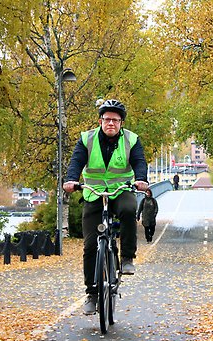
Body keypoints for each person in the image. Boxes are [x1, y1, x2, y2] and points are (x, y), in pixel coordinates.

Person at [63, 99, 149, 315]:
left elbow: (139, 161)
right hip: (94, 193)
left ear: (121, 123)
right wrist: (72, 180)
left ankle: (127, 257)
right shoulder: (87, 139)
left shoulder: (131, 139)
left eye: (115, 120)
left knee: (129, 210)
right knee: (90, 245)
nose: (111, 123)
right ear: (100, 120)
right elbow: (76, 161)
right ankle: (92, 294)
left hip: (121, 190)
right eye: (107, 119)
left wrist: (141, 179)